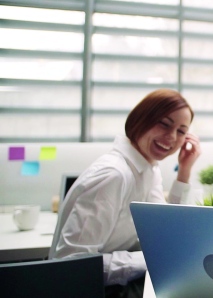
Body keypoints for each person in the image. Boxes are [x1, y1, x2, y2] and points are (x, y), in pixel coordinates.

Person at [49, 89, 201, 297]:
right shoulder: (114, 175)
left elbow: (163, 228)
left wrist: (184, 170)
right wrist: (148, 260)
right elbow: (71, 264)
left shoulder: (147, 168)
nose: (172, 137)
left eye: (181, 131)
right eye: (164, 124)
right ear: (141, 120)